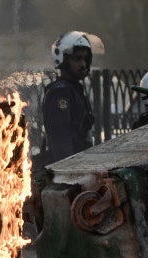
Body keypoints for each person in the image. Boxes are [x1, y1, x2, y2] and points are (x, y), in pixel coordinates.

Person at [39, 31, 104, 163]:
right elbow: (61, 138)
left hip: (79, 164)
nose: (83, 64)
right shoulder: (61, 92)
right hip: (69, 169)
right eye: (77, 58)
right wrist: (68, 174)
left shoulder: (73, 89)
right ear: (63, 59)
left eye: (85, 59)